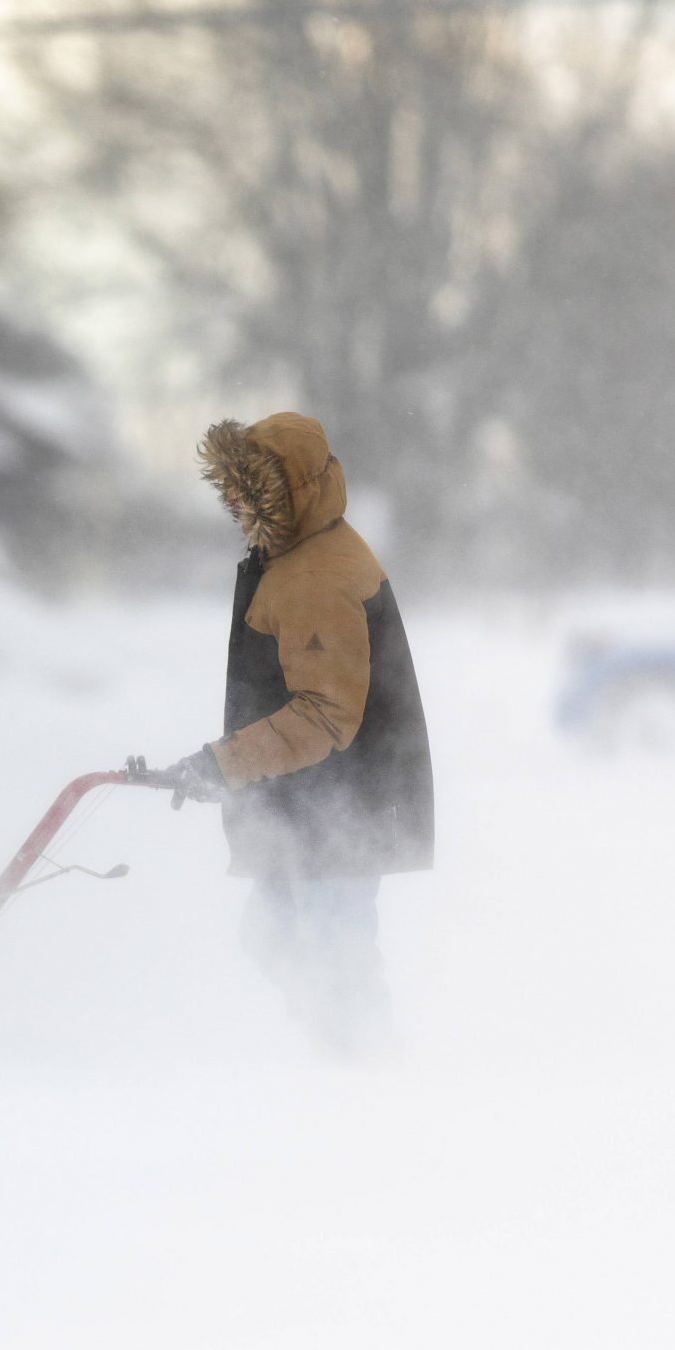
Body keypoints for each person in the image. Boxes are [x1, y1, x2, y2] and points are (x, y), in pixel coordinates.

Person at [160, 413, 434, 1056]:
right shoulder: (302, 553)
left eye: (248, 491)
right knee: (278, 940)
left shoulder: (314, 576)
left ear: (290, 493)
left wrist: (221, 765)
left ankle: (365, 1076)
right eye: (230, 489)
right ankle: (337, 1054)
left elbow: (325, 713)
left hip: (344, 808)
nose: (233, 503)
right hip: (314, 803)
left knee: (331, 955)